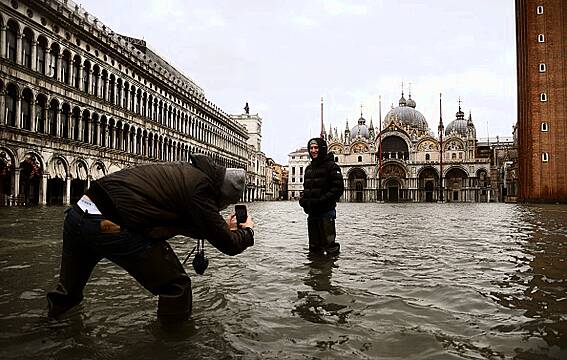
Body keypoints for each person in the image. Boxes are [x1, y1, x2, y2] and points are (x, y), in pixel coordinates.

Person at [47, 154, 254, 321]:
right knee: (176, 285)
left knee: (67, 295)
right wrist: (248, 231)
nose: (222, 208)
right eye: (224, 204)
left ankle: (49, 333)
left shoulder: (185, 172)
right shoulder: (201, 189)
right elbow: (229, 245)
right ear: (222, 195)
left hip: (78, 216)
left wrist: (219, 227)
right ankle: (174, 346)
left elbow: (178, 222)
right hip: (109, 226)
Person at [299, 137, 344, 255]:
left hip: (326, 212)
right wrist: (303, 200)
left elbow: (338, 189)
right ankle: (315, 271)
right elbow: (307, 188)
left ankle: (329, 271)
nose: (313, 150)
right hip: (312, 213)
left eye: (316, 148)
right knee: (314, 248)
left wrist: (321, 201)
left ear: (322, 149)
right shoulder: (309, 168)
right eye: (311, 148)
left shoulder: (332, 166)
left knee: (330, 247)